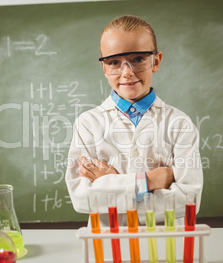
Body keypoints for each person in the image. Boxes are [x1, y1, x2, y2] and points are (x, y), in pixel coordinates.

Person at [65, 15, 203, 227]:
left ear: (155, 61)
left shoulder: (179, 124)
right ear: (104, 68)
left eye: (138, 59)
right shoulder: (88, 124)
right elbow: (82, 198)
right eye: (114, 62)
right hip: (111, 248)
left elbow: (189, 200)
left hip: (167, 246)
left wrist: (109, 182)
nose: (127, 72)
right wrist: (149, 181)